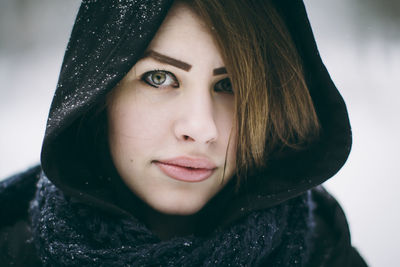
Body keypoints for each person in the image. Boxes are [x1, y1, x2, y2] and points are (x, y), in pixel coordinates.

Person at [0, 0, 368, 266]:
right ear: (99, 93)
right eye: (159, 78)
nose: (201, 128)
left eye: (230, 85)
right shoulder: (14, 250)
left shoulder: (327, 253)